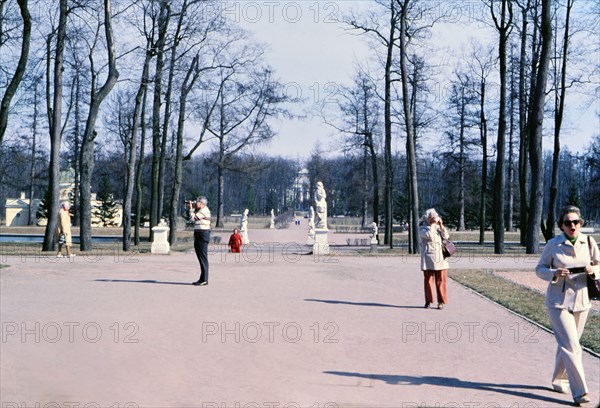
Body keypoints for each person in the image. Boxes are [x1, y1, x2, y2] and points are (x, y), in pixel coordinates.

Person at [535, 205, 599, 406]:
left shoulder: (589, 242)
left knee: (568, 344)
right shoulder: (553, 244)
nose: (572, 225)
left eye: (576, 222)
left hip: (582, 301)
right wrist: (554, 273)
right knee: (572, 346)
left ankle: (558, 379)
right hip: (558, 302)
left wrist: (592, 269)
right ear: (561, 226)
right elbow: (540, 269)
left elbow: (599, 264)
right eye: (568, 222)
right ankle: (580, 392)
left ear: (580, 223)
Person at [418, 208, 449, 310]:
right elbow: (429, 236)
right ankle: (428, 301)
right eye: (431, 216)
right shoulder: (422, 228)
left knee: (441, 281)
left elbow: (446, 236)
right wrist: (432, 225)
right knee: (428, 281)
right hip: (428, 258)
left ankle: (441, 302)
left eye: (435, 216)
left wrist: (440, 225)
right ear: (427, 218)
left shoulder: (437, 227)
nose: (433, 218)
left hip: (440, 257)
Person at [189, 197, 211, 286]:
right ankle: (202, 279)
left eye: (197, 201)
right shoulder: (202, 210)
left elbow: (193, 218)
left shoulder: (204, 210)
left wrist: (191, 209)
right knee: (200, 256)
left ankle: (204, 279)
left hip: (202, 234)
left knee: (203, 257)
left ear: (201, 203)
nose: (196, 203)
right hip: (199, 234)